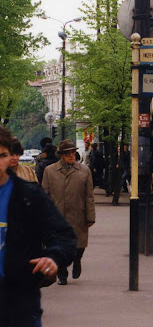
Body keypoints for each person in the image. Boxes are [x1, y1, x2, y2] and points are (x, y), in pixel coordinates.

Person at [0, 126, 76, 326]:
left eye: (2, 155)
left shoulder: (29, 196)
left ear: (9, 157)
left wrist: (53, 257)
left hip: (19, 301)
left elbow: (64, 236)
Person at [42, 139, 96, 285]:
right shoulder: (50, 171)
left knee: (79, 247)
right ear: (61, 155)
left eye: (73, 152)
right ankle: (62, 274)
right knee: (58, 248)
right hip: (56, 217)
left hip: (78, 215)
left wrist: (90, 217)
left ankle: (77, 260)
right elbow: (44, 196)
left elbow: (89, 196)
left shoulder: (84, 171)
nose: (71, 156)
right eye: (68, 153)